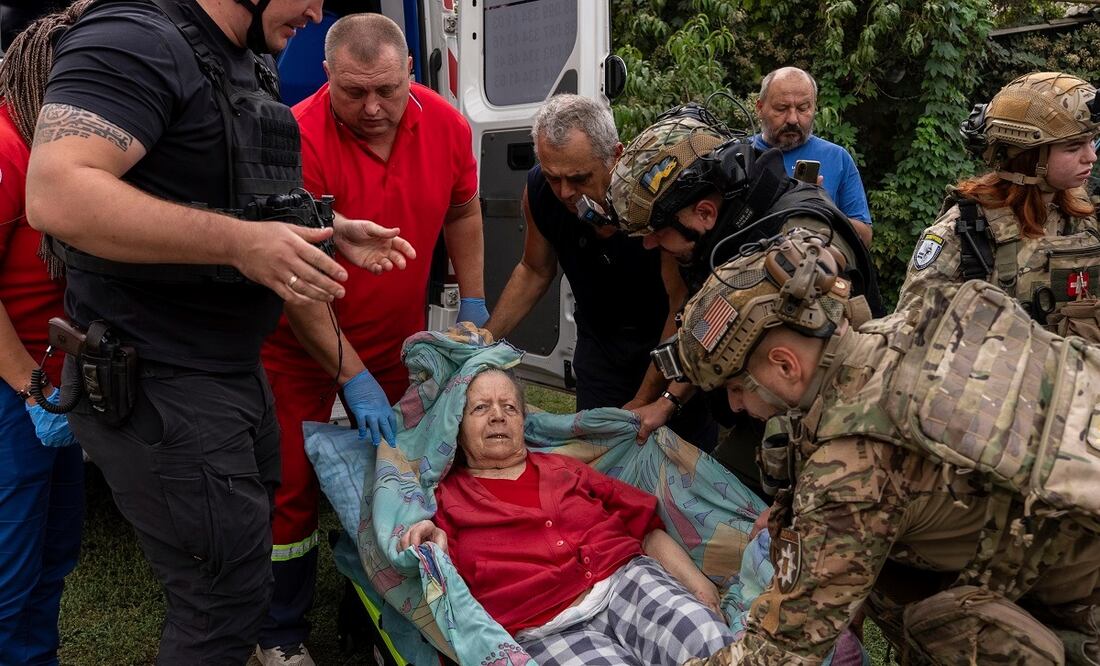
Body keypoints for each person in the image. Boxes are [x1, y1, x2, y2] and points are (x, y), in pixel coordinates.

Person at [25, 0, 414, 663]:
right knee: (220, 606)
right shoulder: (134, 39)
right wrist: (239, 244)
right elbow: (56, 193)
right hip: (161, 382)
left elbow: (229, 188)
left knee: (239, 588)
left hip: (228, 374)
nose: (318, 9)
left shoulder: (241, 61)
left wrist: (328, 227)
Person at [653, 228, 1100, 665]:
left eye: (736, 387)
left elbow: (783, 650)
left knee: (938, 624)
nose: (736, 404)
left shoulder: (849, 468)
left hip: (1083, 606)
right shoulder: (915, 323)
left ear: (785, 366)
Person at [257, 13, 487, 662]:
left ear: (411, 69)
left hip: (396, 342)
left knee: (396, 478)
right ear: (326, 74)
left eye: (387, 88)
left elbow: (466, 209)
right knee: (291, 486)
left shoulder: (445, 124)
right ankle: (279, 632)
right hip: (296, 346)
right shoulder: (293, 137)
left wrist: (473, 297)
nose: (374, 107)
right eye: (355, 92)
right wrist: (350, 377)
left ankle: (372, 608)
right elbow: (297, 285)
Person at [605, 106, 882, 493]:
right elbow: (719, 331)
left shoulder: (797, 239)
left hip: (833, 436)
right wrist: (666, 401)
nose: (651, 244)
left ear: (704, 211)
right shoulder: (729, 231)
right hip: (763, 419)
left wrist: (790, 495)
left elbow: (832, 383)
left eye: (656, 232)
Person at [398, 368, 734, 666]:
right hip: (545, 629)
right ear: (457, 427)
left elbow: (646, 530)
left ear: (522, 422)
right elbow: (442, 570)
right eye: (480, 408)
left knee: (710, 640)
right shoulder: (446, 498)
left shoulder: (566, 468)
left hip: (627, 583)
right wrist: (433, 541)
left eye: (510, 407)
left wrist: (700, 588)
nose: (498, 416)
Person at [485, 94, 716, 449]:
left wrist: (644, 400)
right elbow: (534, 270)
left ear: (616, 155)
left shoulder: (655, 199)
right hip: (601, 350)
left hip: (668, 349)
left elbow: (680, 306)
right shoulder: (540, 192)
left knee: (674, 469)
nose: (564, 191)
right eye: (553, 176)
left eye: (579, 178)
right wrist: (486, 341)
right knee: (597, 467)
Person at [0, 4, 90, 663]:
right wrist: (28, 386)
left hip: (55, 387)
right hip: (17, 391)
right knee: (8, 568)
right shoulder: (7, 144)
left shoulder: (53, 146)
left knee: (53, 552)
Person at [897, 71, 1100, 341]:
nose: (1091, 156)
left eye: (1090, 142)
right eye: (1073, 147)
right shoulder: (965, 230)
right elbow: (910, 333)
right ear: (1028, 155)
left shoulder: (1083, 216)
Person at [752, 67, 873, 246]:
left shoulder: (837, 158)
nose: (793, 119)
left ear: (814, 108)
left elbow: (865, 237)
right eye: (782, 108)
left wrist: (819, 208)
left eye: (803, 108)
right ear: (760, 108)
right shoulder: (740, 155)